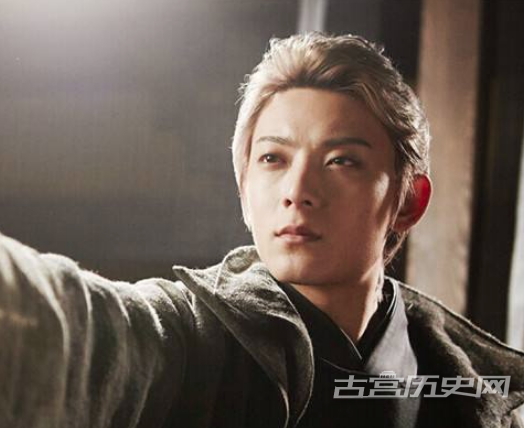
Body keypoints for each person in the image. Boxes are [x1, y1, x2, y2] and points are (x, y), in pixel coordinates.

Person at [0, 33, 523, 428]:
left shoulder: (470, 389)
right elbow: (73, 325)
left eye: (341, 161)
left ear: (407, 201)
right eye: (273, 158)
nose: (298, 190)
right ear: (244, 188)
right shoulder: (188, 338)